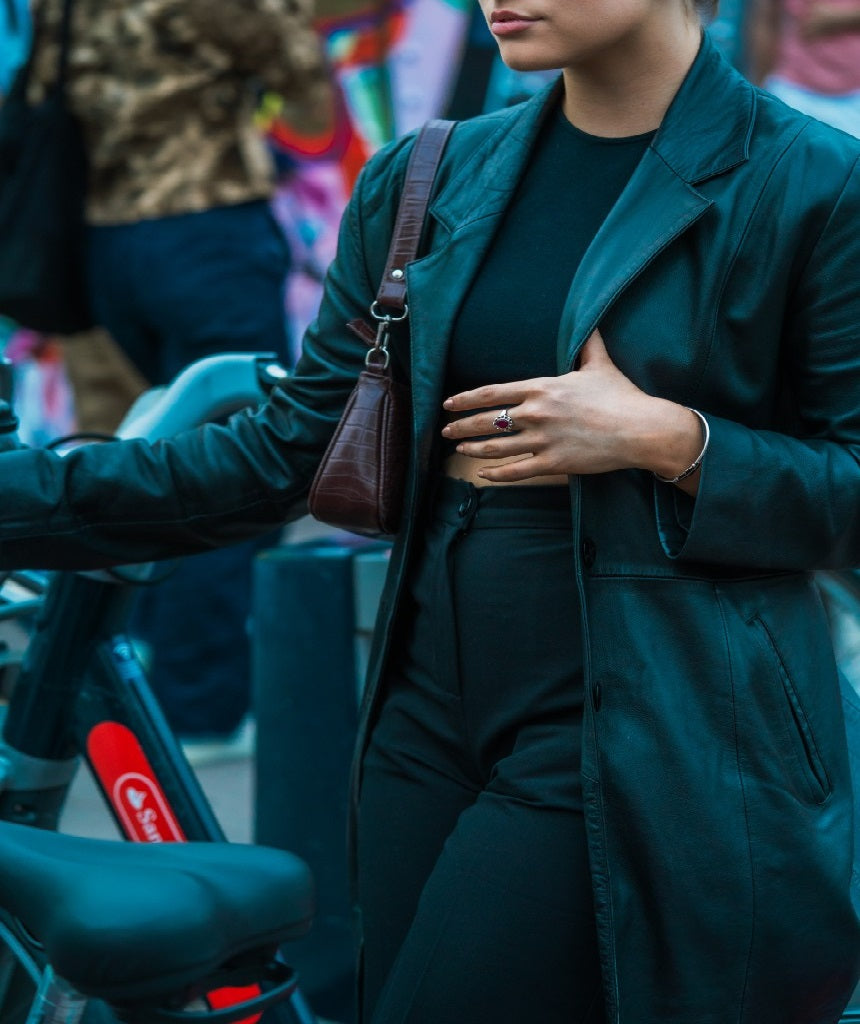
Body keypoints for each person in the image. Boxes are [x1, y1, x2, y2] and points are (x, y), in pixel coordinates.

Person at [0, 1, 859, 1021]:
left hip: (642, 714)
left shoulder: (810, 182)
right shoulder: (430, 173)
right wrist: (26, 494)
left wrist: (668, 440)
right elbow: (281, 455)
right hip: (420, 709)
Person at [26, 0, 330, 744]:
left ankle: (160, 665)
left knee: (158, 452)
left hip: (108, 244)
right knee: (235, 465)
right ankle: (200, 706)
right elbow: (297, 68)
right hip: (203, 227)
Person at [746, 0, 860, 136]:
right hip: (793, 89)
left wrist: (841, 18)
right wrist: (760, 87)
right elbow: (766, 21)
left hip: (853, 94)